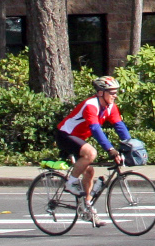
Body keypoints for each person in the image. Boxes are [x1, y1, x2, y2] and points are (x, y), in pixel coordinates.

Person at [54, 76, 131, 216]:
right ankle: (70, 183)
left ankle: (86, 207)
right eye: (112, 92)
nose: (115, 96)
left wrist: (130, 144)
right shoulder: (91, 105)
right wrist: (110, 149)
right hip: (65, 135)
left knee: (89, 172)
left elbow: (119, 126)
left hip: (78, 138)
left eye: (116, 92)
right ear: (101, 92)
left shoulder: (110, 107)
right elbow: (95, 130)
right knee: (90, 153)